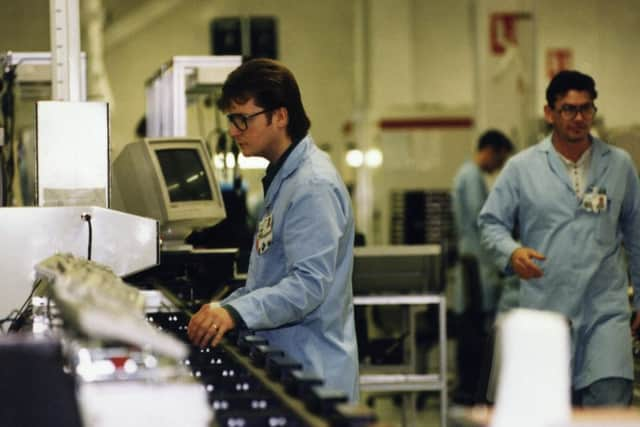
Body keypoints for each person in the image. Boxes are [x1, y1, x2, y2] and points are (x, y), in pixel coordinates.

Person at [186, 58, 360, 402]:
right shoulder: (285, 179)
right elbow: (268, 283)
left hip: (315, 376)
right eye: (231, 120)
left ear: (280, 116)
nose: (234, 131)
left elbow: (307, 286)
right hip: (292, 364)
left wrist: (233, 313)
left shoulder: (312, 185)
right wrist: (222, 307)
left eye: (242, 119)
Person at [478, 70, 640, 407]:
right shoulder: (522, 168)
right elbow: (491, 222)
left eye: (586, 108)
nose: (579, 118)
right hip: (545, 311)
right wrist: (512, 252)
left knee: (610, 406)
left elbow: (637, 236)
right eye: (568, 109)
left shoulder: (620, 165)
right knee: (543, 412)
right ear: (549, 113)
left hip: (605, 312)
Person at [450, 129, 514, 404]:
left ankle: (471, 389)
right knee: (475, 333)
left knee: (472, 329)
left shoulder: (466, 175)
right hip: (477, 265)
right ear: (491, 151)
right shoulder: (471, 177)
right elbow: (485, 222)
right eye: (500, 159)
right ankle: (472, 392)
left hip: (474, 264)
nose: (499, 166)